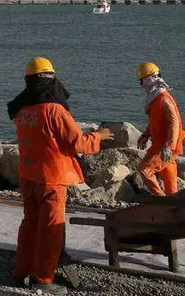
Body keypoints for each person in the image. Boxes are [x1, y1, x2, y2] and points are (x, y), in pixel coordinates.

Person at [7, 57, 114, 295]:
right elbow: (78, 143)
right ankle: (43, 279)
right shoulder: (55, 110)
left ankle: (21, 271)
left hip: (28, 175)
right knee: (50, 228)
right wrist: (99, 135)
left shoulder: (22, 109)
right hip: (51, 178)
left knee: (30, 225)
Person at [136, 62, 185, 197]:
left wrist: (168, 146)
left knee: (144, 169)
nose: (141, 84)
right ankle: (173, 202)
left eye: (142, 80)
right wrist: (146, 134)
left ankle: (161, 200)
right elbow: (156, 120)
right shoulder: (155, 99)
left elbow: (174, 123)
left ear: (149, 79)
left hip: (163, 147)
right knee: (168, 173)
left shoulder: (163, 99)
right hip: (161, 144)